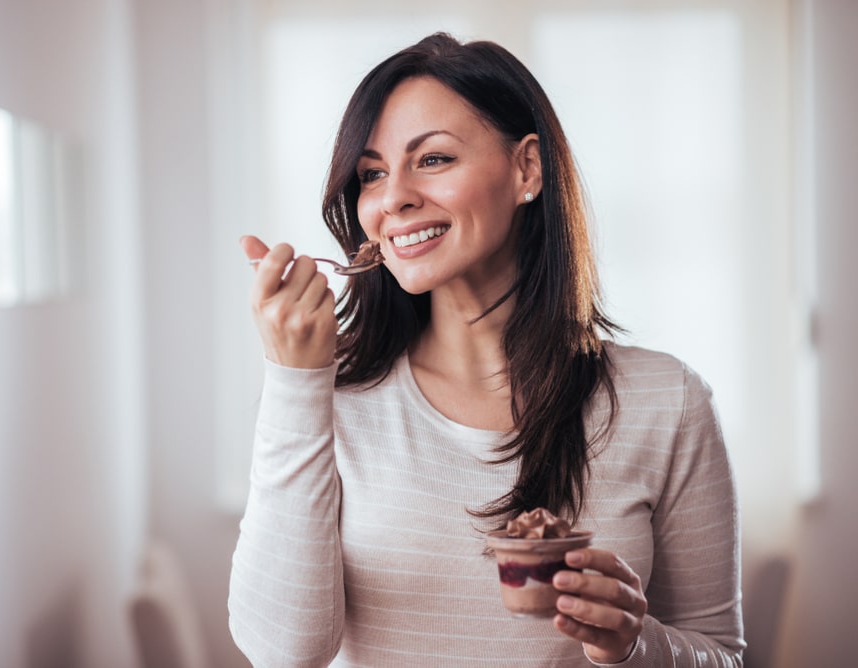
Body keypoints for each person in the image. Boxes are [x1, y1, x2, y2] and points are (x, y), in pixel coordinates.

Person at [229, 32, 744, 667]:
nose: (393, 199)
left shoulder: (669, 403)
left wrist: (637, 645)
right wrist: (292, 379)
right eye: (371, 174)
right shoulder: (329, 398)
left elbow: (722, 655)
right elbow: (284, 653)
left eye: (434, 159)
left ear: (526, 169)